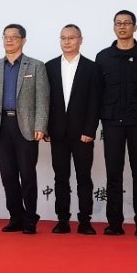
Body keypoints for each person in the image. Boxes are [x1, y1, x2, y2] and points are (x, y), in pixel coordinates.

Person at [0, 24, 49, 234]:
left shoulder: (36, 66)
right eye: (6, 36)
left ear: (23, 40)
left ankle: (30, 218)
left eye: (14, 36)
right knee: (8, 175)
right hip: (2, 126)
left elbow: (42, 98)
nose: (9, 40)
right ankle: (15, 216)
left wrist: (40, 125)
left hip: (26, 127)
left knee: (27, 174)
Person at [95, 10, 137, 236]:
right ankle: (115, 223)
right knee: (114, 174)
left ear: (135, 27)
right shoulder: (103, 57)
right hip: (112, 123)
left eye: (127, 23)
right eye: (118, 23)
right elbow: (98, 92)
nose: (122, 27)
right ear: (114, 27)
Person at [44, 24, 102, 235]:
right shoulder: (49, 67)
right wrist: (46, 128)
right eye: (63, 38)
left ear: (80, 40)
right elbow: (45, 101)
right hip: (57, 132)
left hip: (82, 134)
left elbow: (95, 102)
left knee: (84, 177)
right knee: (60, 178)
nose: (67, 41)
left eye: (71, 38)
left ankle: (85, 220)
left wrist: (90, 130)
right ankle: (62, 220)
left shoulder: (92, 68)